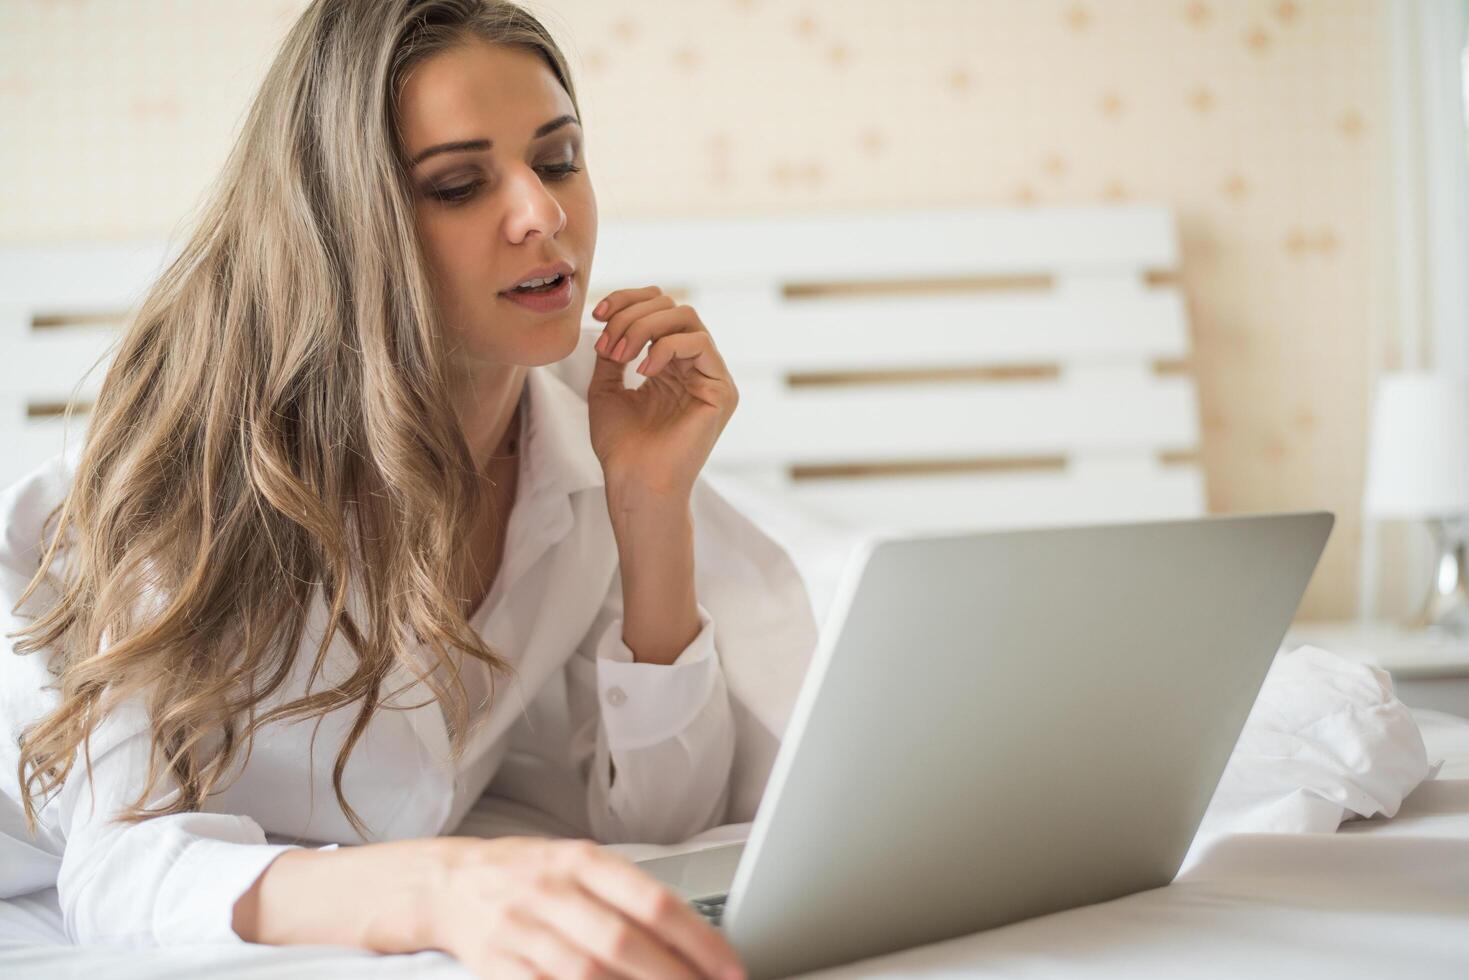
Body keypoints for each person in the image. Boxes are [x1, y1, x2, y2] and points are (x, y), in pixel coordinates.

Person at [0, 2, 816, 977]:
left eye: (557, 159)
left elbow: (665, 824)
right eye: (460, 183)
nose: (543, 214)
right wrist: (440, 886)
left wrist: (649, 505)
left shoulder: (590, 416)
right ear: (348, 224)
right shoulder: (203, 468)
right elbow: (118, 870)